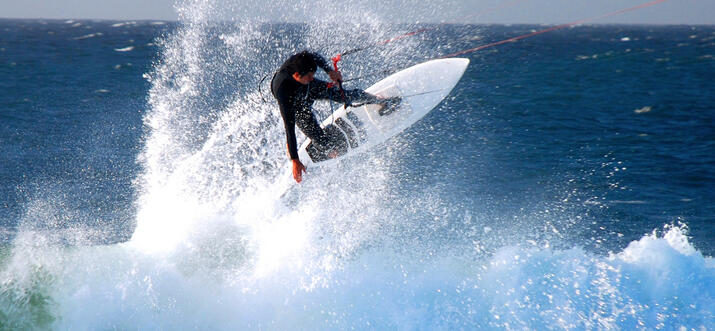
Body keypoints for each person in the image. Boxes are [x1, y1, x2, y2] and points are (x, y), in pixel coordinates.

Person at [271, 51, 398, 183]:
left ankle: (381, 101)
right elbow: (289, 127)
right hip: (296, 106)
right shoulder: (283, 92)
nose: (312, 77)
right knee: (326, 147)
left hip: (307, 88)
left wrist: (330, 71)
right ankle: (296, 147)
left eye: (313, 75)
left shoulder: (302, 62)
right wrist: (295, 160)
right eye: (309, 76)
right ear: (297, 75)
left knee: (344, 95)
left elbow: (313, 56)